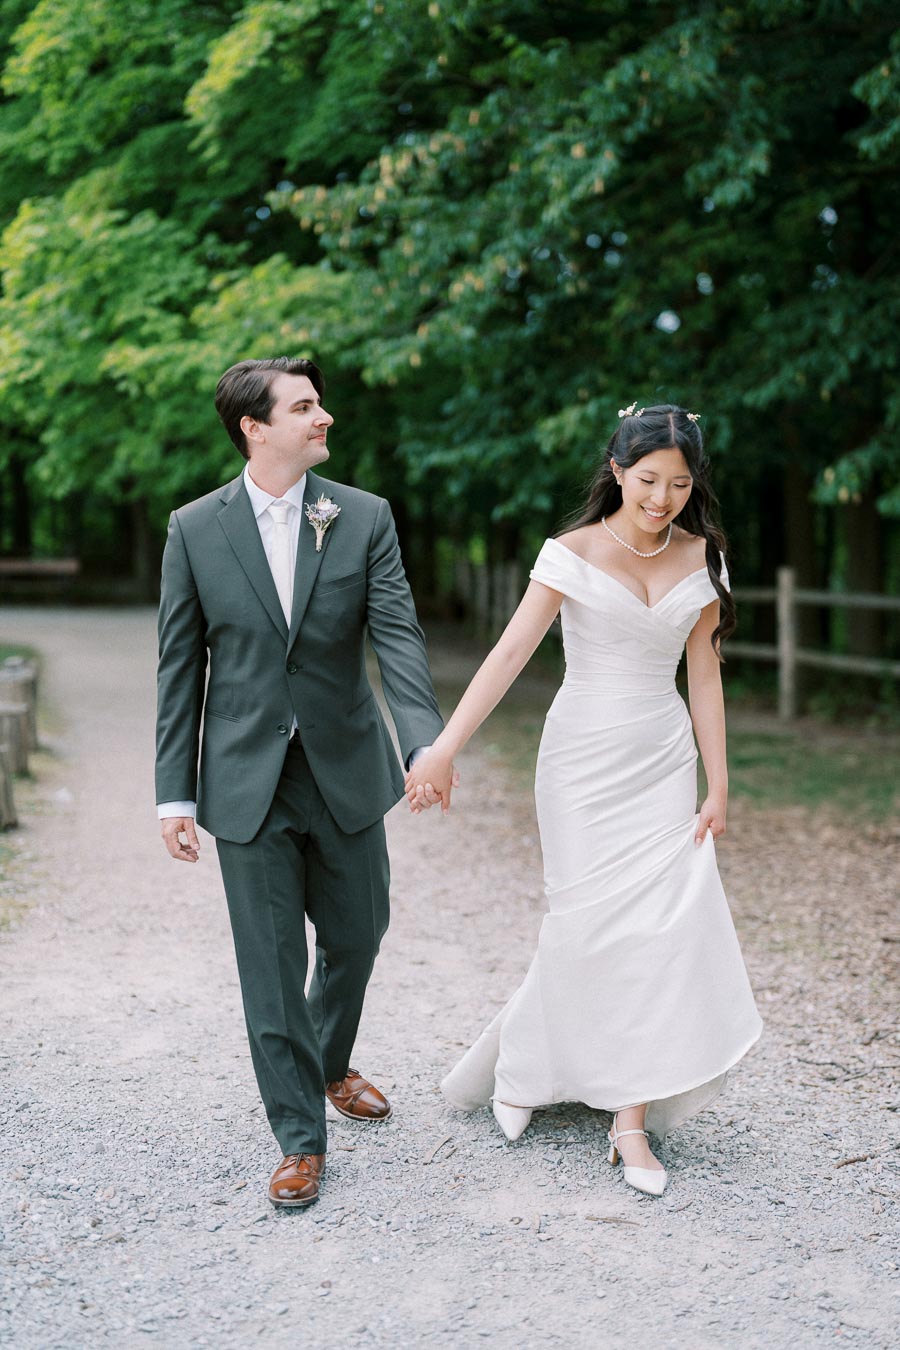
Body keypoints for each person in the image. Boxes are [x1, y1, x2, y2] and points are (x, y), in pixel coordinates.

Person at [404, 403, 762, 1197]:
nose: (661, 497)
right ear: (616, 471)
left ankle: (628, 1123)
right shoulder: (570, 552)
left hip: (661, 759)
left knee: (654, 933)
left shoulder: (705, 557)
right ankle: (528, 1067)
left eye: (677, 483)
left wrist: (719, 779)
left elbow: (703, 673)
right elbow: (509, 652)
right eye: (646, 480)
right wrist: (445, 748)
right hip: (579, 761)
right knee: (583, 922)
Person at [156, 356, 448, 1209]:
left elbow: (398, 636)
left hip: (346, 768)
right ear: (255, 426)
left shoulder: (362, 517)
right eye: (306, 407)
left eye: (319, 405)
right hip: (246, 779)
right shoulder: (194, 529)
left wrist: (423, 744)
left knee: (358, 937)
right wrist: (174, 792)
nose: (324, 418)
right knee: (272, 967)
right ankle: (298, 1138)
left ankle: (326, 1062)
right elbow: (178, 668)